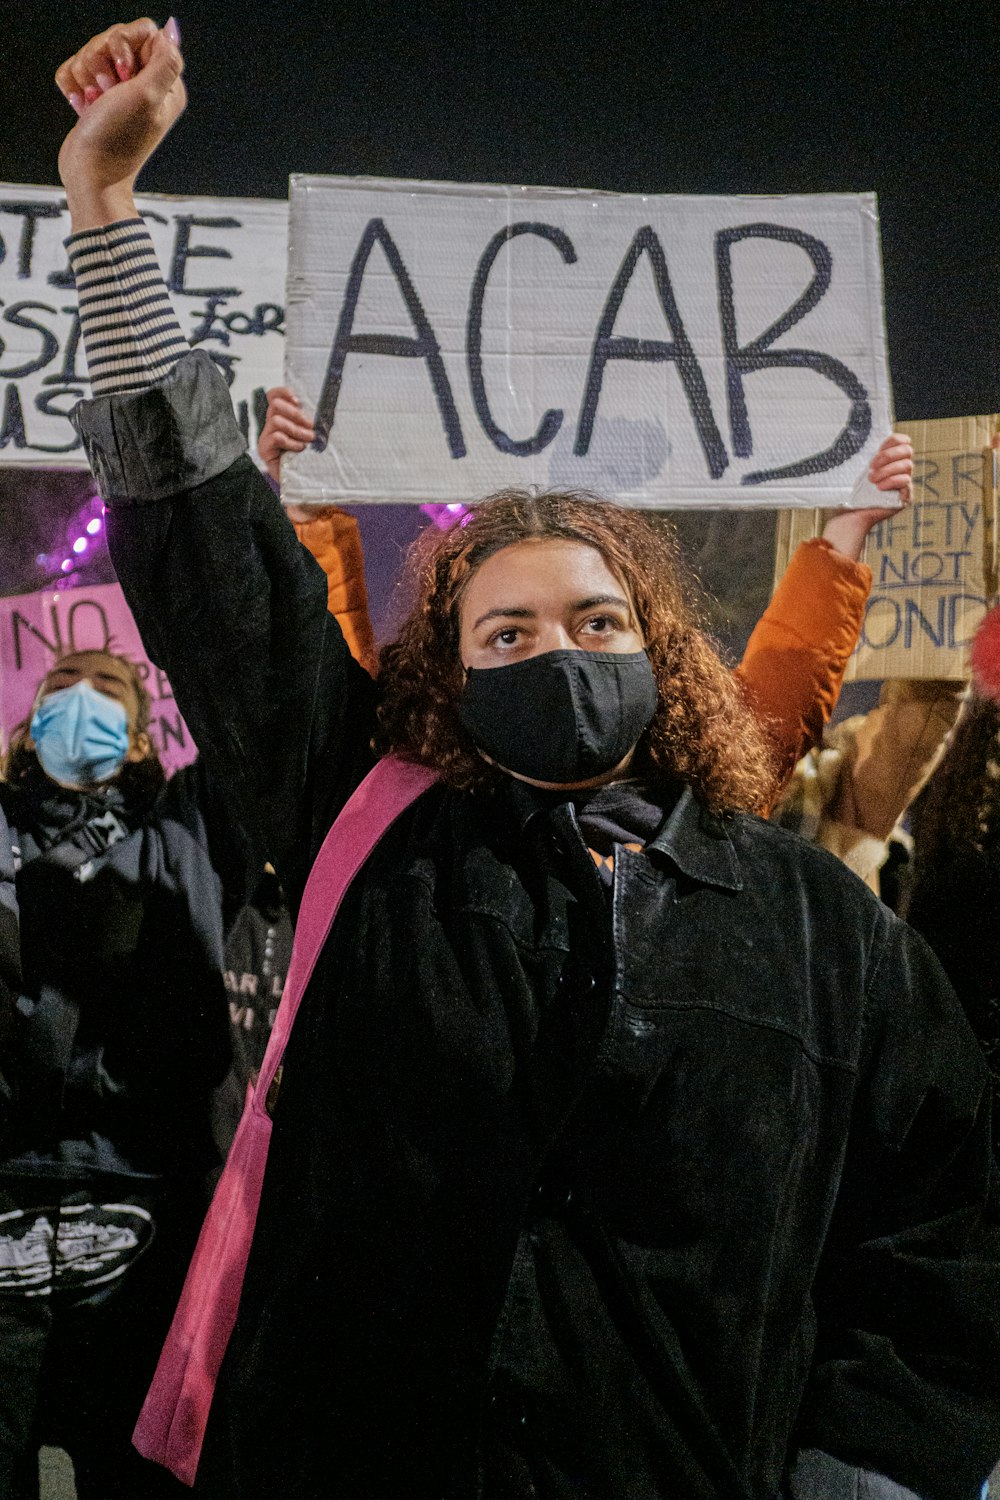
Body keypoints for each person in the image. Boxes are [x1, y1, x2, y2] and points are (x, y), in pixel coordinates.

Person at [54, 22, 1000, 1500]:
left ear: (660, 649)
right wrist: (106, 212)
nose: (553, 652)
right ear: (445, 672)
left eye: (594, 618)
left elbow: (935, 1243)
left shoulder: (828, 936)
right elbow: (214, 573)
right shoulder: (373, 841)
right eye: (504, 635)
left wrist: (861, 1481)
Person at [0, 648, 254, 1499]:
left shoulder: (188, 829)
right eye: (59, 691)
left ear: (144, 737)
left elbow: (257, 721)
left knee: (138, 1474)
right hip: (6, 1189)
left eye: (108, 691)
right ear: (27, 729)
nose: (81, 701)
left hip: (148, 1204)